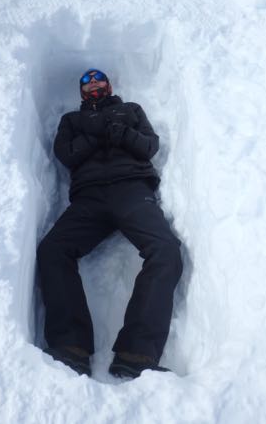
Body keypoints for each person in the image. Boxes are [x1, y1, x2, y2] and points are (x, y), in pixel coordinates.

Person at [37, 68, 183, 378]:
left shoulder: (130, 111)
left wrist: (124, 133)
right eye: (86, 82)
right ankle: (70, 346)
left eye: (98, 80)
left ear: (109, 85)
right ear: (81, 92)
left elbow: (149, 146)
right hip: (89, 199)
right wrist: (96, 136)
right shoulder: (72, 121)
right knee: (52, 250)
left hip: (132, 191)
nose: (93, 84)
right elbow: (66, 154)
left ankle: (137, 352)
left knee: (166, 250)